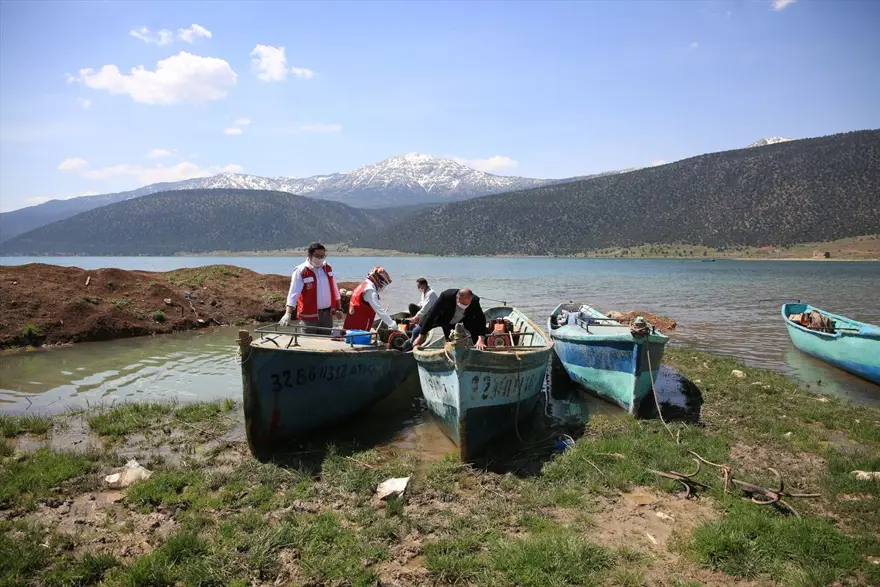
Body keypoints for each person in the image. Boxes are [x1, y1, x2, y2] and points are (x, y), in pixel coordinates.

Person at [279, 242, 343, 334]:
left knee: (326, 343)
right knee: (308, 342)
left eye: (322, 256)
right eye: (317, 256)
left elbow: (335, 289)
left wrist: (339, 308)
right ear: (310, 255)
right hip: (309, 317)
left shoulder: (327, 268)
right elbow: (293, 293)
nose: (320, 259)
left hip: (327, 315)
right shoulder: (301, 271)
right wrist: (288, 313)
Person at [410, 288, 488, 350]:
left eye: (466, 304)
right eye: (462, 304)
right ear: (457, 298)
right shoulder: (446, 296)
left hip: (457, 323)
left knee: (453, 343)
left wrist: (481, 338)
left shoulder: (475, 301)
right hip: (441, 318)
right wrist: (421, 335)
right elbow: (432, 314)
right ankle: (408, 349)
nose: (463, 306)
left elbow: (480, 320)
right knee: (416, 332)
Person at [343, 266, 401, 332]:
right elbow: (380, 311)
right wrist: (394, 325)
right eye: (383, 284)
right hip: (358, 329)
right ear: (379, 280)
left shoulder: (362, 286)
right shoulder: (370, 291)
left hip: (350, 326)